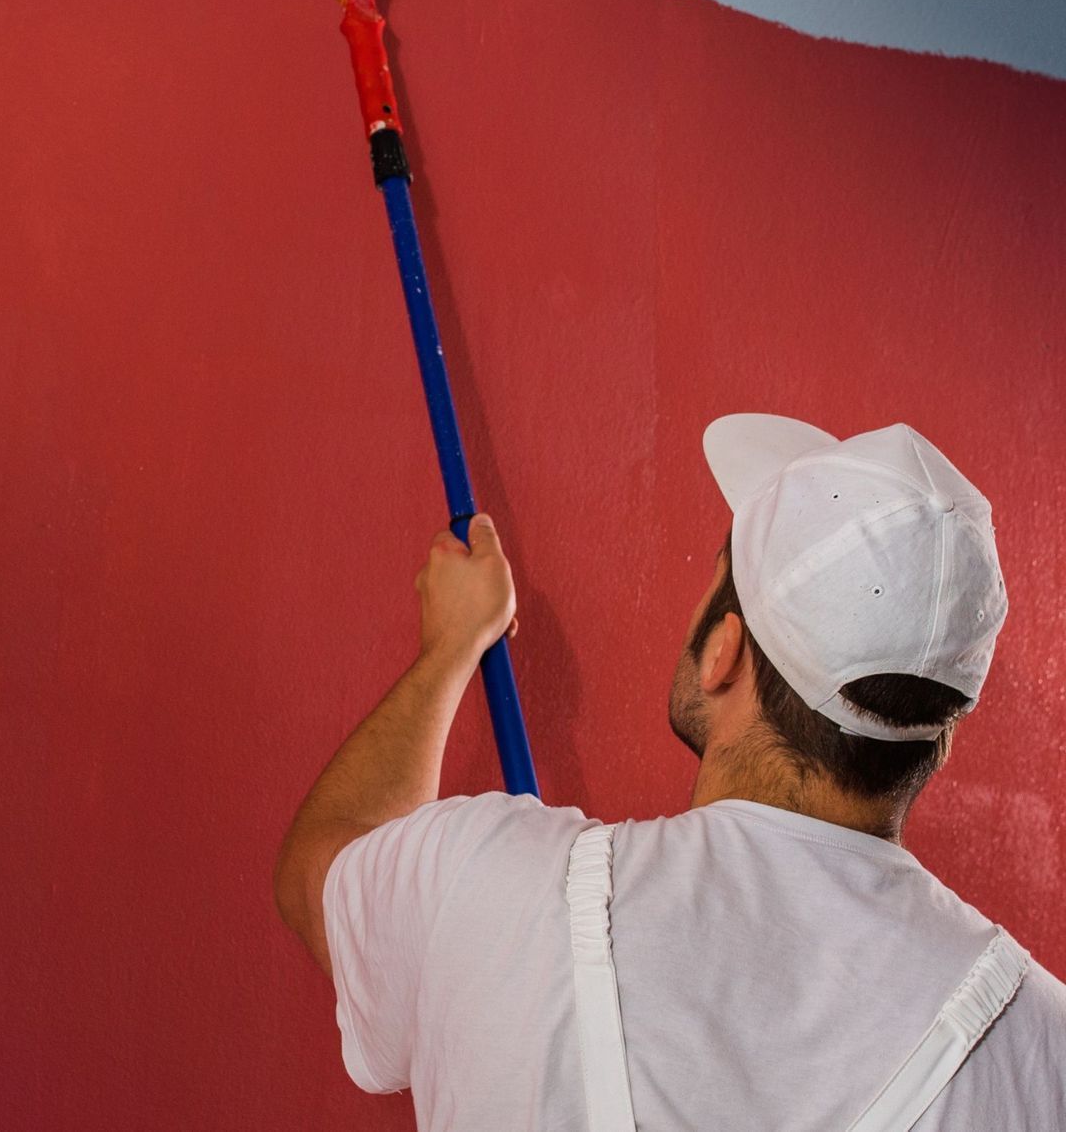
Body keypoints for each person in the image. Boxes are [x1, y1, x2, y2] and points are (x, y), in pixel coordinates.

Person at [273, 414, 1066, 1130]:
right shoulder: (1041, 1050)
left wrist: (450, 649)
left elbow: (326, 865)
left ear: (723, 652)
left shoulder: (494, 886)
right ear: (935, 733)